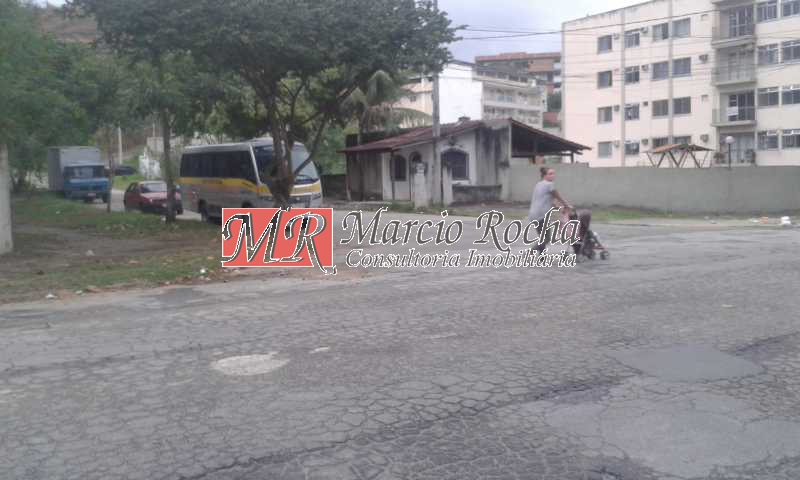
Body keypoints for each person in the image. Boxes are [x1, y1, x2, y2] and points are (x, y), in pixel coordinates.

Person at [528, 167, 572, 253]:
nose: (553, 175)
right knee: (547, 238)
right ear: (544, 175)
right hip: (541, 215)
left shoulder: (539, 184)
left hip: (533, 214)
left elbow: (550, 202)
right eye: (550, 174)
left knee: (542, 237)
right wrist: (566, 205)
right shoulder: (549, 185)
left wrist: (560, 208)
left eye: (553, 173)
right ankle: (530, 252)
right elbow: (558, 196)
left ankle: (542, 257)